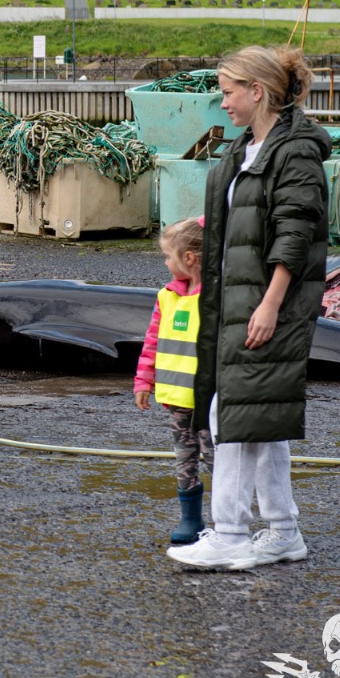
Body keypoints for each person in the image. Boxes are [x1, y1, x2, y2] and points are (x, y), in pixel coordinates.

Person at [168, 45, 330, 571]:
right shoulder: (248, 147)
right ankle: (284, 532)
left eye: (228, 93)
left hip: (265, 304)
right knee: (261, 418)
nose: (224, 104)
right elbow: (244, 221)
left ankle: (232, 533)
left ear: (257, 91)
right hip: (240, 298)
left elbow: (295, 232)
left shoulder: (294, 151)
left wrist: (270, 305)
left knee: (229, 414)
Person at [133, 216, 213, 545]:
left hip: (208, 399)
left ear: (189, 258)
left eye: (168, 256)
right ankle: (190, 518)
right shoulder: (166, 297)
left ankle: (226, 520)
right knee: (185, 459)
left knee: (217, 460)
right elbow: (152, 342)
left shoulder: (214, 298)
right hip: (177, 400)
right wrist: (143, 381)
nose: (166, 262)